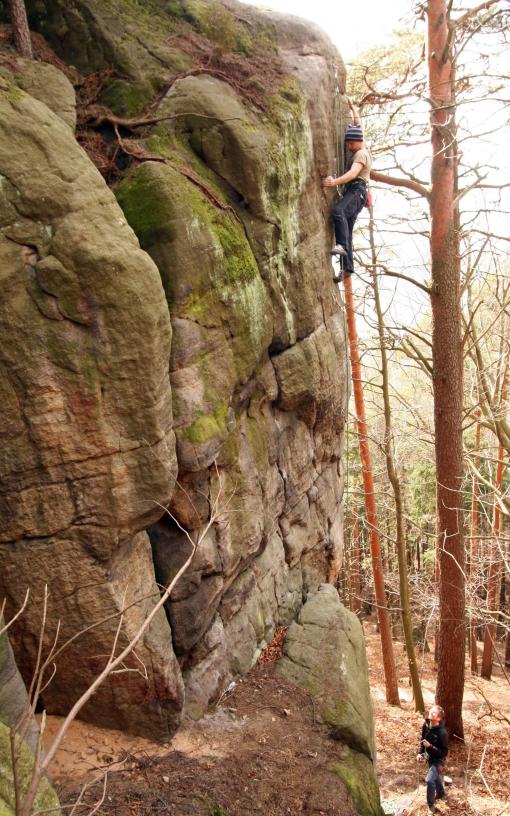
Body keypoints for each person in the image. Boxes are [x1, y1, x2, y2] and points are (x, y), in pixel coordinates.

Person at [323, 98, 372, 282]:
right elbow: (359, 126)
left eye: (350, 143)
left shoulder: (361, 154)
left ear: (357, 142)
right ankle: (348, 268)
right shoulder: (362, 145)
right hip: (359, 193)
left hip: (357, 190)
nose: (348, 146)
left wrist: (333, 182)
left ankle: (341, 245)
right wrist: (353, 109)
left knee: (338, 211)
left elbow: (353, 174)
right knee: (348, 228)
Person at [417, 704, 449, 814]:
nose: (431, 712)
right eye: (431, 710)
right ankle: (440, 793)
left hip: (439, 760)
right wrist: (420, 753)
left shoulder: (442, 733)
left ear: (439, 718)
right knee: (434, 777)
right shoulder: (426, 724)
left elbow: (444, 752)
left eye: (434, 712)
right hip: (430, 756)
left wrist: (430, 747)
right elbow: (423, 739)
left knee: (430, 780)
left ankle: (430, 804)